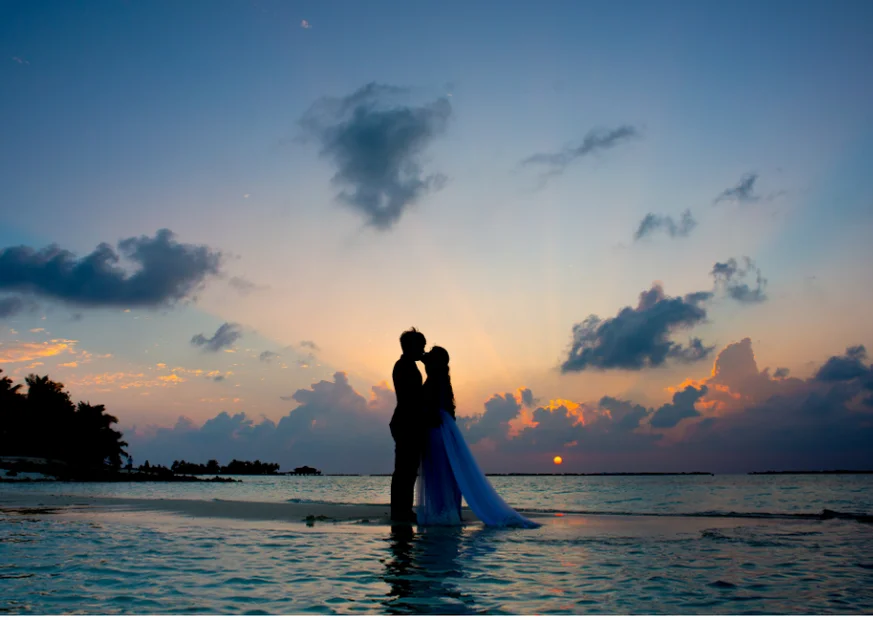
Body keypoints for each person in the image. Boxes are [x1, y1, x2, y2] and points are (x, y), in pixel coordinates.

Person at [417, 346, 539, 528]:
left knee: (441, 469)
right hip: (440, 427)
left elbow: (431, 403)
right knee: (446, 471)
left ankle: (445, 512)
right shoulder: (439, 377)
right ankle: (448, 512)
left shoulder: (436, 379)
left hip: (436, 429)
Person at [389, 327, 426, 523]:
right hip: (406, 422)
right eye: (421, 347)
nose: (423, 351)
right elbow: (412, 397)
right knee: (405, 469)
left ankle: (402, 509)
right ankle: (400, 511)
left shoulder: (408, 366)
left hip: (406, 421)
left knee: (408, 469)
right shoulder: (404, 366)